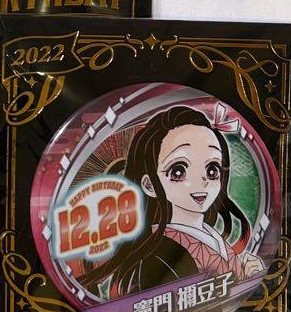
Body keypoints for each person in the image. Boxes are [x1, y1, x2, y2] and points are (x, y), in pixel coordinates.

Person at [80, 105, 266, 299]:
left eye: (212, 169)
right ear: (150, 185)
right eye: (178, 171)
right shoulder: (158, 254)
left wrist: (248, 276)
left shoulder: (212, 235)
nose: (202, 181)